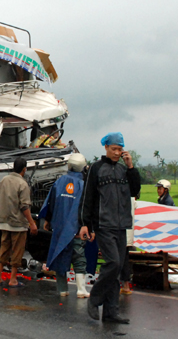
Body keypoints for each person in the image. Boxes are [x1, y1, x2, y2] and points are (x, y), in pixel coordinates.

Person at [79, 132, 141, 324]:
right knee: (113, 263)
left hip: (122, 224)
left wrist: (131, 167)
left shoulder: (124, 170)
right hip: (103, 225)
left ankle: (110, 312)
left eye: (120, 149)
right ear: (106, 147)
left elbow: (135, 190)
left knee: (118, 268)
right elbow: (87, 198)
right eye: (114, 149)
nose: (117, 152)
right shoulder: (96, 169)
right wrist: (84, 224)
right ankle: (95, 298)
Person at [39, 153, 92, 298]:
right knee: (79, 258)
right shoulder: (83, 185)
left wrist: (47, 221)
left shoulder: (59, 182)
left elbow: (50, 203)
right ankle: (81, 289)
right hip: (76, 230)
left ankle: (63, 290)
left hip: (60, 229)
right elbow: (87, 208)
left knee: (60, 257)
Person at [0, 157, 38, 287]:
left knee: (3, 249)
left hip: (4, 221)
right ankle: (13, 279)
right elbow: (24, 206)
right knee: (17, 252)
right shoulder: (22, 184)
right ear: (24, 169)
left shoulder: (3, 180)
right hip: (18, 224)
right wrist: (32, 223)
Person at [120, 197, 138, 295]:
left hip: (120, 232)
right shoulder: (132, 199)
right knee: (125, 259)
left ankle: (118, 284)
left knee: (118, 259)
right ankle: (126, 285)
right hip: (128, 234)